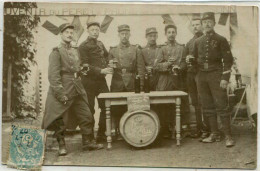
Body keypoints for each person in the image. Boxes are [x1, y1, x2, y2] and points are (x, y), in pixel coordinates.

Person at [42, 23, 103, 156]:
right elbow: (53, 75)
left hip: (77, 87)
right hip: (63, 88)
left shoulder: (75, 50)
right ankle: (61, 145)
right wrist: (60, 93)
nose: (70, 35)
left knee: (86, 114)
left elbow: (77, 67)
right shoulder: (56, 52)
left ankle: (87, 142)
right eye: (67, 33)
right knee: (61, 119)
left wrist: (82, 69)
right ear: (61, 34)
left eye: (71, 33)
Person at [192, 12, 235, 147]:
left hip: (216, 75)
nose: (207, 24)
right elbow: (194, 61)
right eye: (204, 22)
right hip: (202, 76)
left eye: (210, 21)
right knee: (207, 106)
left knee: (222, 105)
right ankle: (214, 133)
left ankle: (228, 136)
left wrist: (225, 78)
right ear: (202, 25)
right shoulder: (198, 41)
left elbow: (228, 61)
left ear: (214, 23)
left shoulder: (221, 39)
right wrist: (191, 62)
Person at [108, 24, 145, 139]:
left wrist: (142, 85)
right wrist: (109, 65)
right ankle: (117, 131)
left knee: (133, 107)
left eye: (126, 34)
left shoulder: (136, 49)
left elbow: (140, 68)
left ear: (129, 34)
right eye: (122, 34)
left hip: (132, 82)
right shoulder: (113, 50)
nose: (124, 36)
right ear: (118, 35)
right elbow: (108, 66)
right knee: (116, 108)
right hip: (117, 81)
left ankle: (132, 131)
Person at [154, 24, 189, 139]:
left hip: (178, 80)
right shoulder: (162, 48)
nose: (171, 34)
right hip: (165, 81)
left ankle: (179, 129)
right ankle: (165, 130)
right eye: (169, 32)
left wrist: (180, 67)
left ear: (176, 33)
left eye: (173, 32)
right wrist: (167, 64)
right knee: (164, 105)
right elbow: (156, 66)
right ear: (165, 34)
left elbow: (184, 63)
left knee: (180, 104)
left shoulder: (182, 48)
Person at [79, 22, 111, 142]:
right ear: (88, 31)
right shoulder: (83, 46)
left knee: (106, 105)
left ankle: (101, 134)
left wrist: (110, 64)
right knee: (89, 109)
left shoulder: (100, 44)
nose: (95, 32)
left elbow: (107, 57)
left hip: (101, 81)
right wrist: (101, 70)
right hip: (88, 81)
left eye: (97, 30)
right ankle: (89, 137)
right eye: (92, 30)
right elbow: (84, 65)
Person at [180, 15, 210, 139]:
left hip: (203, 74)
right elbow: (183, 60)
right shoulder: (189, 43)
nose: (195, 27)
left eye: (197, 24)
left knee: (205, 101)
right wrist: (181, 65)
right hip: (191, 75)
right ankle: (199, 128)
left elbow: (210, 59)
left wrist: (195, 60)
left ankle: (208, 128)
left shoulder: (207, 40)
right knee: (196, 103)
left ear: (202, 25)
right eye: (193, 25)